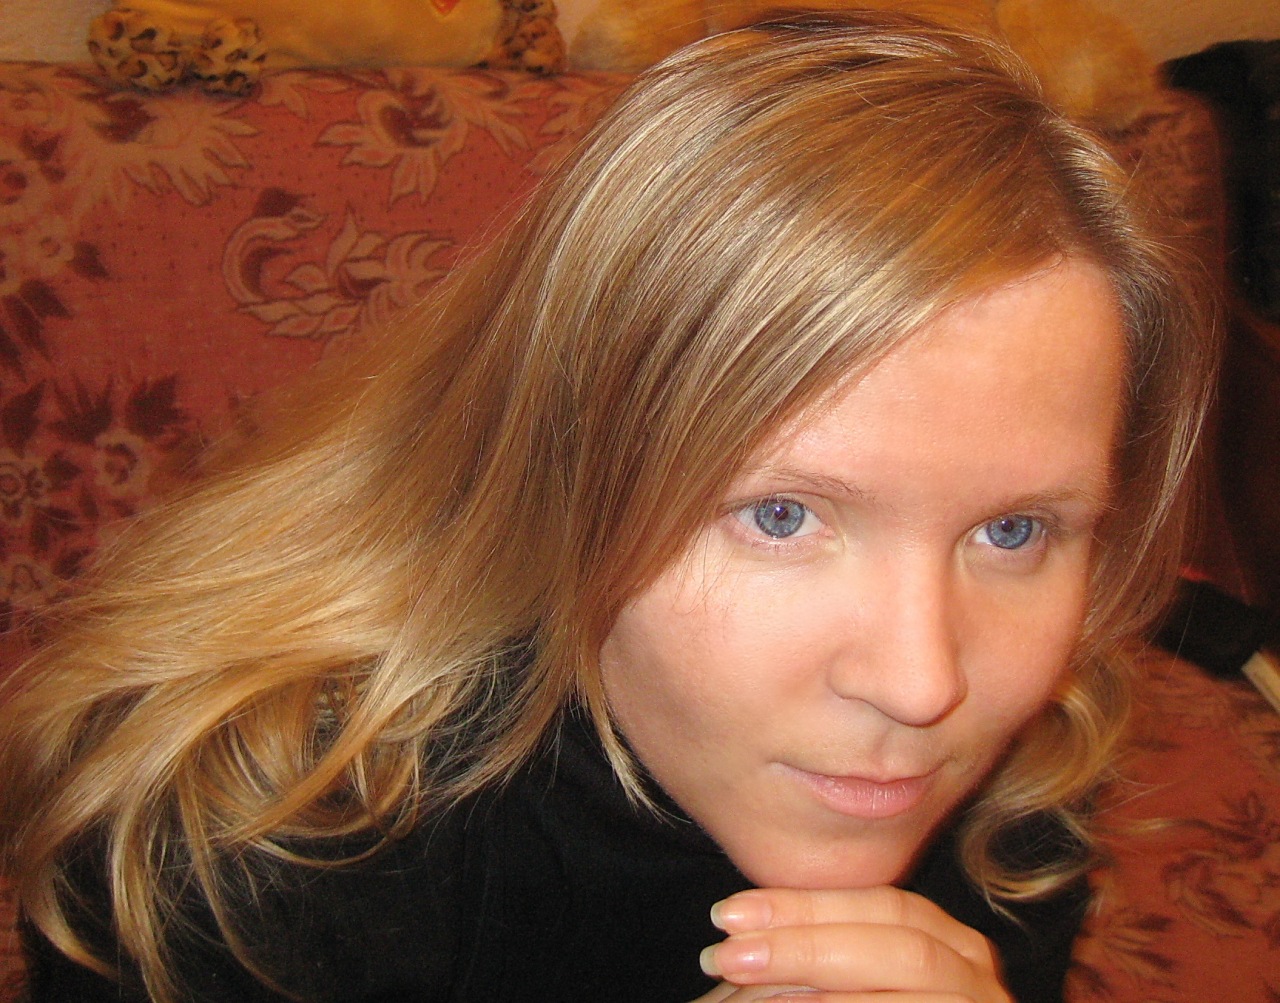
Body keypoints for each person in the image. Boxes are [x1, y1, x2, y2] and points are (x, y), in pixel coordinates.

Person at [0, 9, 1216, 1003]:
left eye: (1011, 532)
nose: (921, 685)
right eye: (780, 516)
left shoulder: (1018, 784)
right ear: (564, 464)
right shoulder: (244, 854)